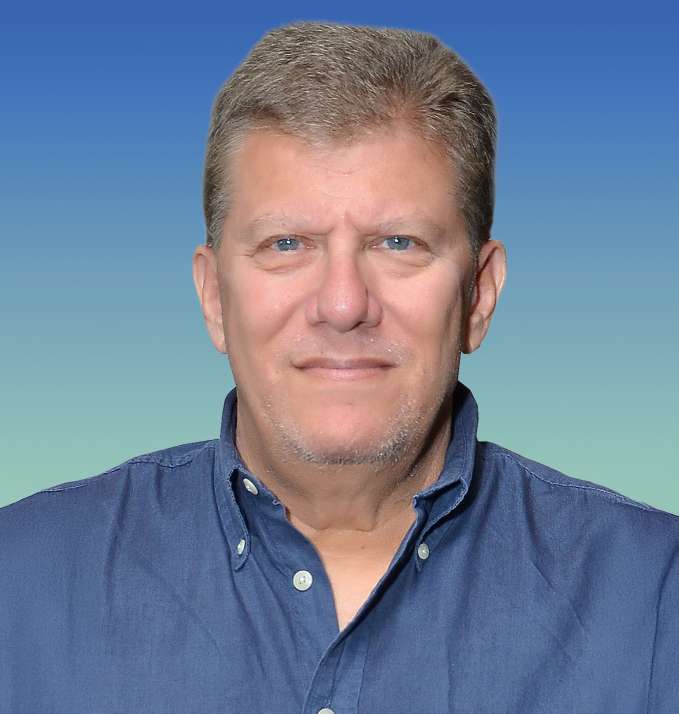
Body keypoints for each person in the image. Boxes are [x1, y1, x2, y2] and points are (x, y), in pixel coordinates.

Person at [1, 20, 677, 713]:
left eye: (397, 242)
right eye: (287, 243)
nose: (344, 305)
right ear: (213, 297)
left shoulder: (656, 595)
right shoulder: (19, 584)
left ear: (478, 295)